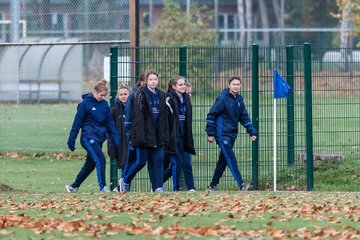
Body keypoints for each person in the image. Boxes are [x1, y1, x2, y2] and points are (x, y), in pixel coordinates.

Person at [66, 79, 120, 193]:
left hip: (99, 138)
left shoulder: (105, 105)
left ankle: (74, 187)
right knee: (101, 159)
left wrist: (117, 140)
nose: (103, 98)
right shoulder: (85, 104)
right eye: (101, 95)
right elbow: (77, 123)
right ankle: (103, 188)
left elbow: (110, 125)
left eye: (105, 96)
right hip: (87, 137)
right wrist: (72, 140)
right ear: (95, 92)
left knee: (90, 165)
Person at [120, 70, 169, 192]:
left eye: (155, 79)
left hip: (156, 136)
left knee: (157, 161)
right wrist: (131, 136)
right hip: (142, 135)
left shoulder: (161, 95)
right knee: (140, 162)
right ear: (146, 81)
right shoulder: (138, 95)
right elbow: (133, 118)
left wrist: (163, 134)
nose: (153, 82)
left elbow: (163, 118)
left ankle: (157, 187)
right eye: (151, 79)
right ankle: (125, 180)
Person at [206, 76, 257, 191]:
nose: (236, 86)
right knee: (231, 158)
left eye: (238, 84)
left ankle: (212, 186)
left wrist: (251, 131)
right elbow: (211, 115)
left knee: (223, 160)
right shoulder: (222, 99)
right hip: (222, 134)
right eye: (234, 84)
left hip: (232, 134)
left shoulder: (239, 100)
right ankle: (242, 185)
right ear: (229, 85)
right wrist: (210, 133)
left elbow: (244, 117)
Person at [163, 75, 196, 192]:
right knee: (177, 162)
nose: (183, 86)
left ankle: (191, 188)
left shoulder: (186, 98)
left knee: (186, 162)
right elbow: (165, 121)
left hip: (184, 136)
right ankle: (175, 189)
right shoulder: (168, 99)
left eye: (184, 84)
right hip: (173, 137)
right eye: (180, 84)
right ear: (173, 86)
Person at [107, 83, 131, 191]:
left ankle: (121, 186)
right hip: (121, 142)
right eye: (121, 94)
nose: (123, 96)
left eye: (125, 94)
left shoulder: (134, 107)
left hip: (132, 140)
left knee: (133, 164)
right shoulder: (114, 109)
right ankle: (122, 186)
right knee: (125, 164)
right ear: (118, 96)